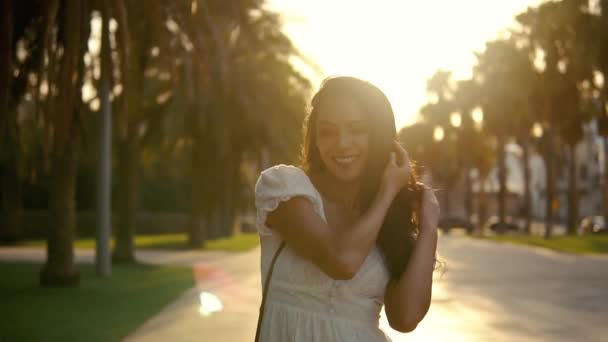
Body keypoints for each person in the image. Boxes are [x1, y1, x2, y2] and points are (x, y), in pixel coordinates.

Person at [254, 76, 440, 341]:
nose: (342, 143)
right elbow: (341, 262)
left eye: (357, 129)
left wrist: (429, 229)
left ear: (378, 136)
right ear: (315, 139)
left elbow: (405, 318)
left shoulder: (388, 217)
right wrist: (388, 191)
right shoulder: (284, 188)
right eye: (328, 131)